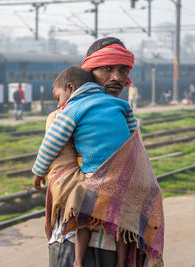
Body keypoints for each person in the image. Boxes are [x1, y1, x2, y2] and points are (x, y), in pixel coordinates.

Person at [35, 37, 164, 267]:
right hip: (76, 243)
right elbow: (64, 182)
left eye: (123, 70)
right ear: (88, 72)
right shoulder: (61, 116)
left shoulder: (123, 115)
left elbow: (139, 169)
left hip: (120, 241)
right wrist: (116, 191)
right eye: (107, 69)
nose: (116, 77)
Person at [32, 66, 136, 267]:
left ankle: (78, 261)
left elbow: (52, 142)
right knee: (122, 220)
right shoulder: (119, 104)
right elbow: (134, 136)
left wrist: (39, 171)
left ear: (70, 88)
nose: (59, 104)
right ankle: (123, 262)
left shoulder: (73, 109)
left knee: (83, 216)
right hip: (125, 172)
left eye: (58, 97)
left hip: (95, 173)